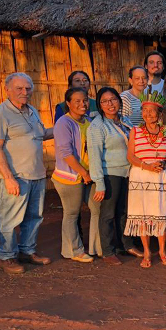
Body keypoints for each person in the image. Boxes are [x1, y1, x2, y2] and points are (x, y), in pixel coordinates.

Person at [0, 72, 53, 274]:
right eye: (19, 88)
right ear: (7, 89)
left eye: (27, 88)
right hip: (15, 177)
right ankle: (6, 257)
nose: (24, 92)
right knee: (10, 219)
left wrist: (67, 125)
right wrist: (8, 178)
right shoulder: (0, 114)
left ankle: (26, 251)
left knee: (34, 217)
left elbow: (42, 135)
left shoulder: (32, 110)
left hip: (36, 174)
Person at [125, 93, 166, 268]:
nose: (148, 114)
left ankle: (162, 250)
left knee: (160, 214)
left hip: (161, 176)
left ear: (159, 114)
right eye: (145, 110)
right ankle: (147, 251)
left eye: (152, 111)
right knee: (142, 216)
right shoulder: (135, 131)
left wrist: (164, 162)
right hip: (140, 176)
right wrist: (147, 166)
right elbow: (130, 156)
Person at [88, 87, 137, 265]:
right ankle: (108, 251)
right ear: (100, 105)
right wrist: (99, 183)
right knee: (108, 214)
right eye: (105, 101)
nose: (110, 104)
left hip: (126, 173)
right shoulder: (97, 126)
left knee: (124, 212)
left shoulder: (124, 121)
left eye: (113, 99)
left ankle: (125, 244)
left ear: (119, 101)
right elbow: (94, 155)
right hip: (110, 174)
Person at [52, 87, 97, 264]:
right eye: (77, 101)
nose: (82, 104)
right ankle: (73, 250)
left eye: (85, 100)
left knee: (96, 209)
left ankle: (96, 246)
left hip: (87, 176)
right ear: (68, 104)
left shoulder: (88, 121)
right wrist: (83, 172)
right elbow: (66, 153)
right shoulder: (64, 123)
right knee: (71, 214)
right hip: (70, 177)